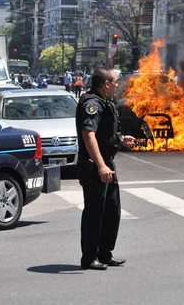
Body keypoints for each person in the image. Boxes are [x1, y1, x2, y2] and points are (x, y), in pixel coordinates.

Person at [75, 67, 136, 271]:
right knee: (94, 212)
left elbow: (103, 135)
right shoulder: (92, 104)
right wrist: (101, 165)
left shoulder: (104, 102)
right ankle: (89, 257)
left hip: (107, 165)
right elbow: (88, 135)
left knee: (112, 210)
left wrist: (121, 139)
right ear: (106, 84)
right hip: (95, 168)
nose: (118, 84)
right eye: (115, 81)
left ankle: (104, 253)